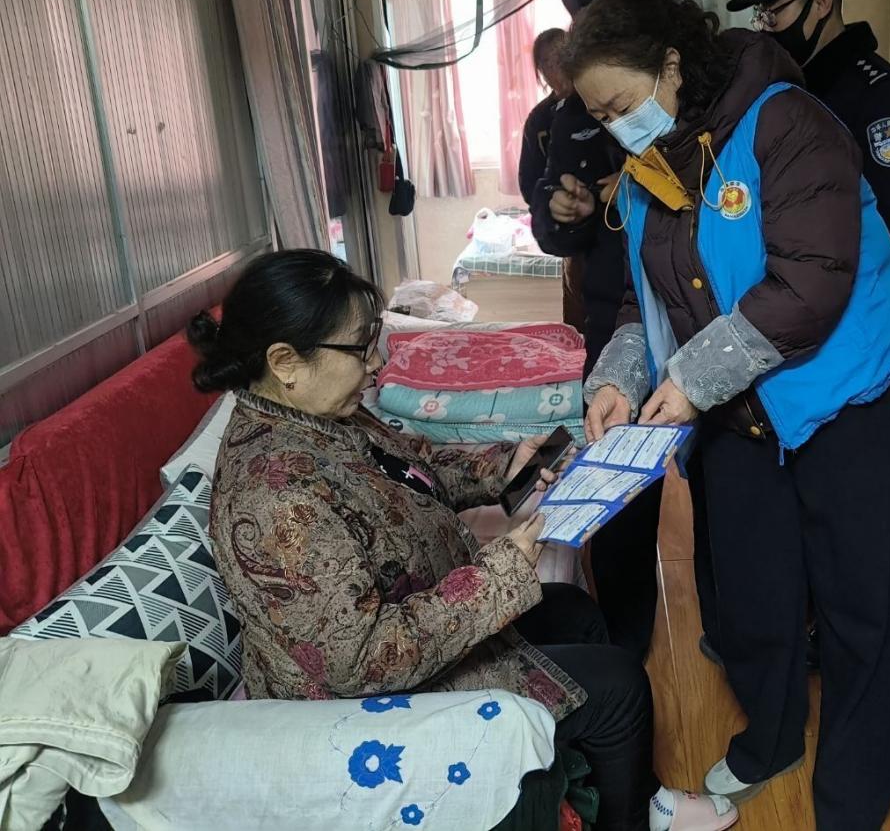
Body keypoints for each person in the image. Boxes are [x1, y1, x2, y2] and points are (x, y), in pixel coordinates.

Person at [190, 249, 737, 831]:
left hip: (428, 618)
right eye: (360, 348)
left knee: (575, 614)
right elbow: (361, 662)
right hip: (372, 707)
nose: (377, 363)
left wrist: (507, 467)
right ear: (285, 362)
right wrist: (499, 575)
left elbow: (413, 469)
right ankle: (630, 814)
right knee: (620, 688)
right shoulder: (275, 499)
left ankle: (579, 792)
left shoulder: (320, 417)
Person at [562, 0, 890, 829]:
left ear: (670, 65)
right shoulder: (649, 170)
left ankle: (853, 792)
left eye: (620, 105)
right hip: (735, 411)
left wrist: (691, 381)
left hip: (840, 396)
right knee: (753, 597)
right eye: (600, 116)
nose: (616, 128)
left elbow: (810, 281)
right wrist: (616, 379)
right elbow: (642, 303)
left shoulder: (785, 122)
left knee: (860, 606)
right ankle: (771, 740)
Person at [530, 0, 720, 661]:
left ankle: (725, 622)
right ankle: (622, 642)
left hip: (706, 315)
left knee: (718, 477)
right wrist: (570, 211)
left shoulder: (704, 92)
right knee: (618, 487)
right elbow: (551, 222)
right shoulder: (570, 112)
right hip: (619, 311)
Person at [727, 0, 890, 287]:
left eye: (773, 14)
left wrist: (863, 301)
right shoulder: (784, 86)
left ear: (821, 2)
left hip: (856, 296)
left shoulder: (878, 93)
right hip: (794, 286)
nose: (764, 28)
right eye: (759, 17)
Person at [519, 28, 586, 335]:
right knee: (577, 311)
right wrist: (552, 207)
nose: (555, 66)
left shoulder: (594, 103)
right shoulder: (539, 119)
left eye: (560, 56)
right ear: (540, 71)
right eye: (546, 61)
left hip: (608, 223)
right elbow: (529, 182)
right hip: (567, 231)